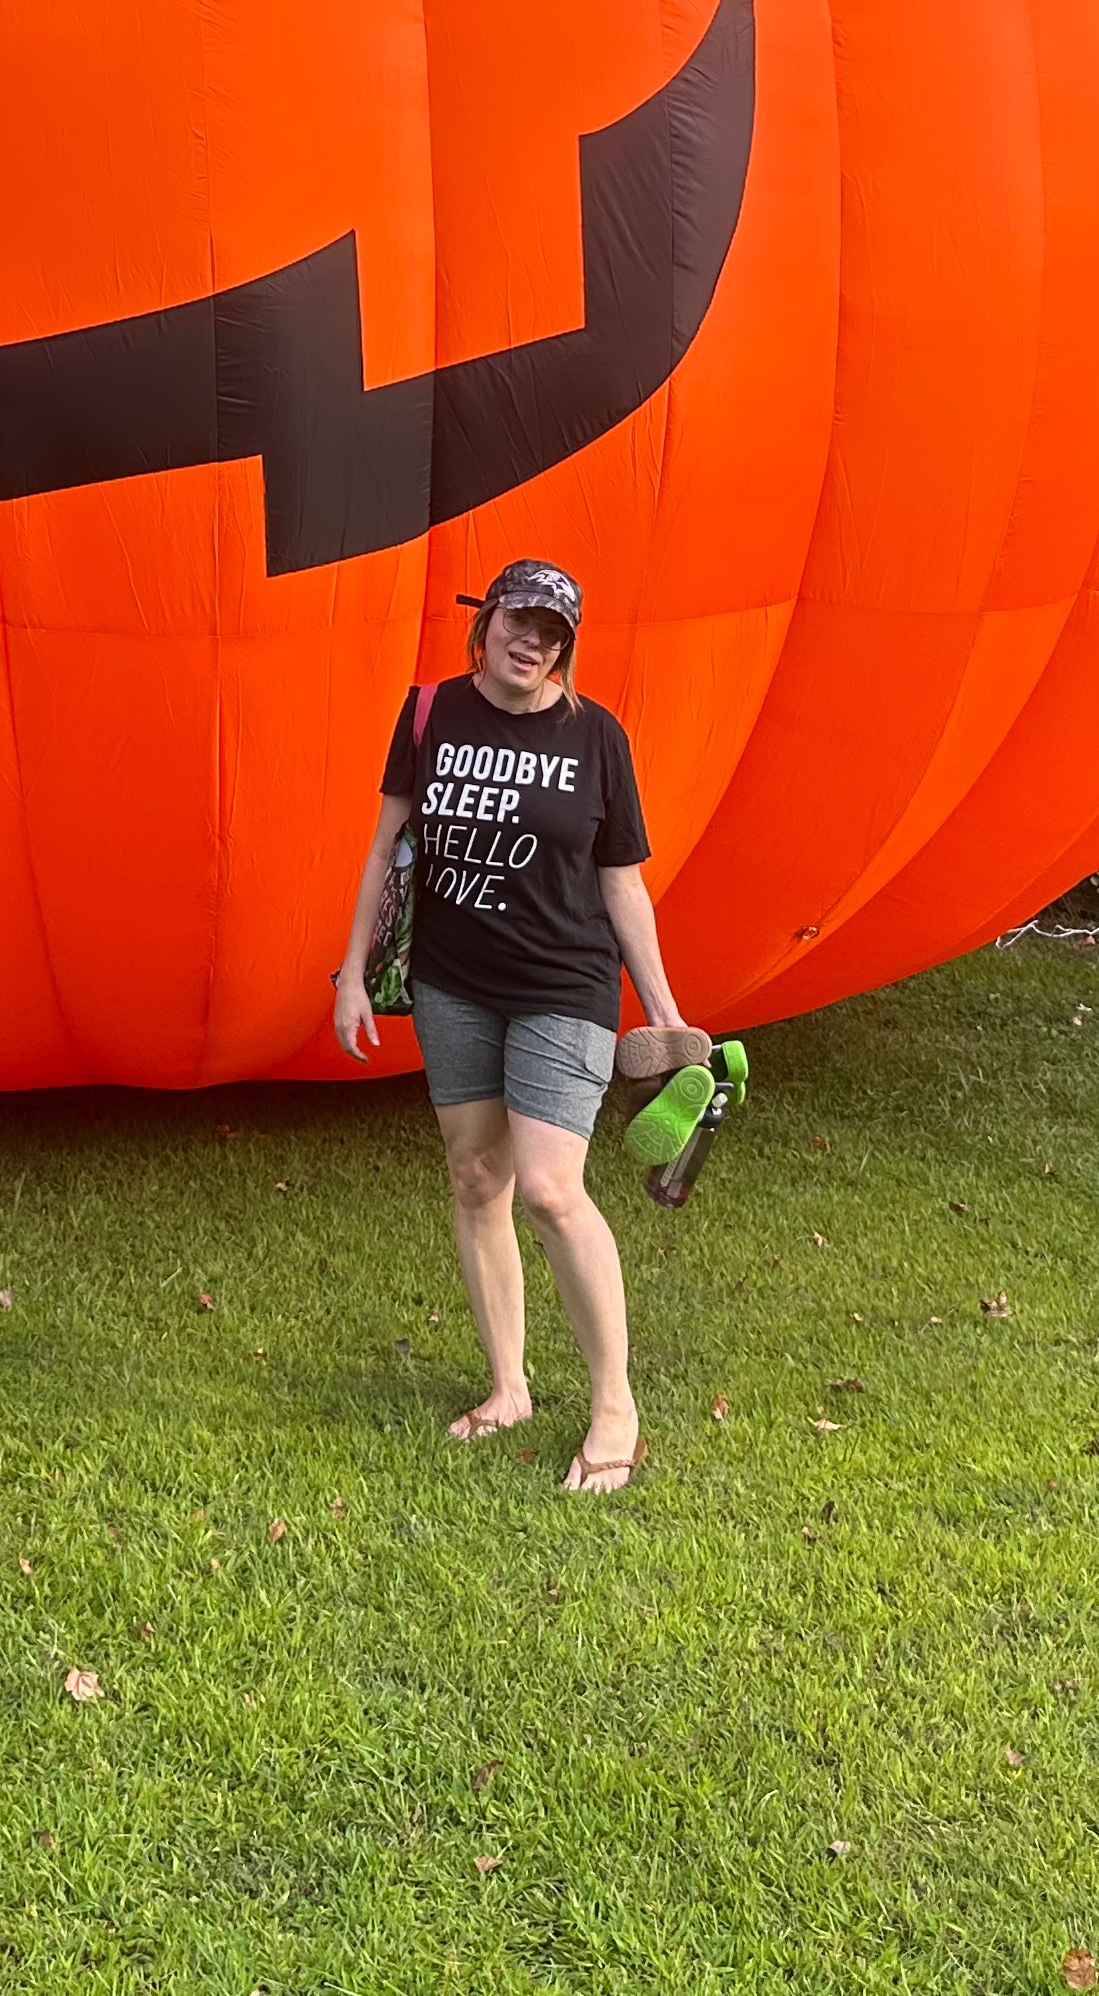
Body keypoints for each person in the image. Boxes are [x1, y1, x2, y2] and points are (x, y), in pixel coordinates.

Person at [328, 557, 691, 1494]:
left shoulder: (595, 736)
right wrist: (354, 975)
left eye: (553, 632)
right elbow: (385, 848)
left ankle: (615, 1406)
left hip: (562, 983)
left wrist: (663, 1012)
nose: (533, 642)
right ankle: (509, 1388)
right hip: (454, 984)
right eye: (520, 622)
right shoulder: (431, 715)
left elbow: (622, 883)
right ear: (484, 623)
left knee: (551, 1190)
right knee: (476, 1176)